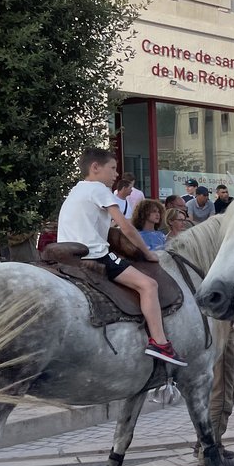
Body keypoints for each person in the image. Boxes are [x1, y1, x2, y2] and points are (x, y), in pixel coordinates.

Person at [57, 147, 185, 366]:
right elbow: (126, 227)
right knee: (149, 285)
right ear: (95, 168)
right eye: (113, 168)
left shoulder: (77, 190)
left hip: (66, 253)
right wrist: (147, 253)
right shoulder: (99, 189)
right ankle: (160, 343)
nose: (117, 175)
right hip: (94, 254)